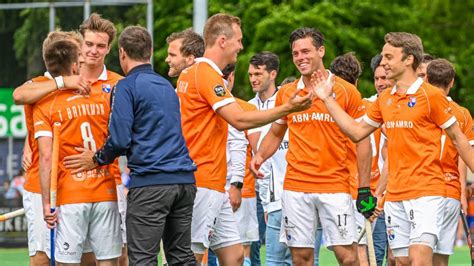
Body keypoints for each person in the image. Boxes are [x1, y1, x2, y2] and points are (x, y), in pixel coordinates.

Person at [312, 32, 474, 265]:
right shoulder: (385, 99)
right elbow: (357, 132)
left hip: (427, 193)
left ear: (408, 59)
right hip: (395, 196)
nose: (383, 61)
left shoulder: (431, 96)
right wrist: (327, 99)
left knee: (419, 260)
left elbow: (459, 140)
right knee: (402, 262)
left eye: (389, 56)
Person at [176, 13, 312, 265]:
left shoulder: (198, 73)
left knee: (235, 256)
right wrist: (287, 109)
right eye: (239, 40)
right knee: (192, 257)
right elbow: (238, 119)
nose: (241, 46)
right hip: (202, 180)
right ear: (223, 41)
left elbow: (240, 112)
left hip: (215, 183)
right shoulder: (206, 74)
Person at [62, 26, 198, 265]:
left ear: (122, 53)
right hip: (184, 182)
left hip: (152, 184)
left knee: (143, 259)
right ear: (151, 51)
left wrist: (95, 158)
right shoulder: (166, 85)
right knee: (182, 257)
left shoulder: (125, 86)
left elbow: (120, 139)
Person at [250, 28, 374, 266]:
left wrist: (365, 188)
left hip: (335, 185)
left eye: (306, 51)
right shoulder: (288, 93)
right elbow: (276, 132)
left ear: (321, 51)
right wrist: (260, 156)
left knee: (348, 257)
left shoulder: (347, 91)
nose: (300, 57)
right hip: (296, 186)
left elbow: (363, 142)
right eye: (296, 53)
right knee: (301, 258)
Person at [14, 14, 127, 264]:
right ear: (79, 47)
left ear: (109, 49)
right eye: (88, 44)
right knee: (45, 257)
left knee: (109, 256)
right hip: (54, 185)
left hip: (107, 184)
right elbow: (20, 95)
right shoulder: (53, 81)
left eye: (100, 46)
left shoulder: (118, 84)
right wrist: (63, 82)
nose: (93, 51)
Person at [34, 38, 122, 265]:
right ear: (75, 65)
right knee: (108, 261)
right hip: (106, 191)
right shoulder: (103, 95)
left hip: (70, 195)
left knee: (67, 262)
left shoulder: (46, 102)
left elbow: (45, 157)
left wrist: (46, 203)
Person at [426, 58, 474, 266]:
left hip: (422, 189)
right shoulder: (463, 113)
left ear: (426, 79)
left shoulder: (420, 107)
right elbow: (464, 155)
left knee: (417, 255)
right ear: (452, 82)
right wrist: (462, 191)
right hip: (449, 192)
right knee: (440, 257)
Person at [247, 51, 292, 265]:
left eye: (258, 73)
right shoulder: (246, 107)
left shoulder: (288, 102)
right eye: (250, 75)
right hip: (258, 193)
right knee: (257, 254)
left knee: (298, 258)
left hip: (288, 192)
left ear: (273, 74)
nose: (253, 79)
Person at [330, 52, 374, 266]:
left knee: (354, 253)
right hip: (356, 188)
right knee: (357, 252)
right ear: (356, 80)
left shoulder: (327, 106)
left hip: (338, 188)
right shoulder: (367, 108)